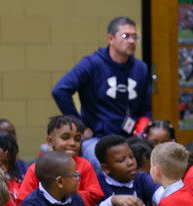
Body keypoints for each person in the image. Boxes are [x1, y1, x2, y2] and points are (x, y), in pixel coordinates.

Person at [52, 16, 152, 175]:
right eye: (126, 36)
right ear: (110, 38)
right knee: (103, 165)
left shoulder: (141, 68)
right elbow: (60, 90)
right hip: (98, 137)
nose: (132, 41)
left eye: (135, 36)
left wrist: (143, 125)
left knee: (149, 162)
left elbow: (146, 107)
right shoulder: (92, 63)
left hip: (130, 137)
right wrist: (80, 127)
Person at [16, 115, 104, 206]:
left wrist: (64, 197)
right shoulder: (36, 168)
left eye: (77, 139)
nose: (72, 143)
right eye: (65, 138)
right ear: (50, 141)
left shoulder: (85, 165)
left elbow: (94, 196)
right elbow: (24, 201)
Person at [91, 135, 162, 206]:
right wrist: (112, 202)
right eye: (121, 160)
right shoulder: (96, 183)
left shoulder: (140, 178)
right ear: (106, 168)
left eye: (131, 157)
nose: (130, 163)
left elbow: (162, 194)